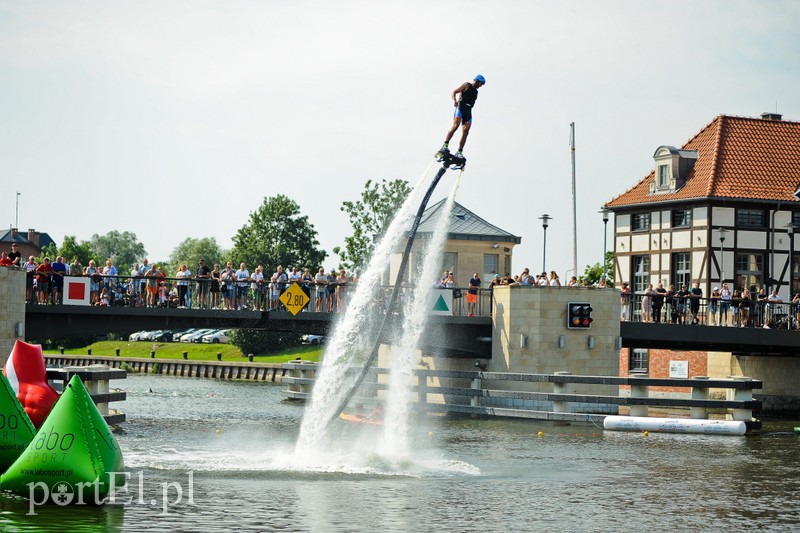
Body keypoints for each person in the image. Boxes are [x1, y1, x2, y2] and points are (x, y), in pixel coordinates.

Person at [438, 74, 486, 159]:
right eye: (481, 84)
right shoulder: (466, 85)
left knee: (466, 131)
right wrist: (455, 100)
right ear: (477, 81)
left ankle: (459, 151)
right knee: (455, 126)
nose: (481, 86)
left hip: (468, 111)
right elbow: (454, 92)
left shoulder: (476, 92)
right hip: (461, 108)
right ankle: (445, 145)